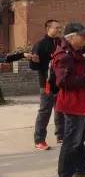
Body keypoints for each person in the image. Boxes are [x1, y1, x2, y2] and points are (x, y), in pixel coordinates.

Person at [53, 23, 85, 177]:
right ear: (71, 37)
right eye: (82, 35)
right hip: (72, 102)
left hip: (81, 100)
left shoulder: (75, 53)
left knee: (79, 138)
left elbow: (79, 71)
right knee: (71, 140)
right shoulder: (64, 56)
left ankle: (81, 167)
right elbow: (63, 81)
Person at [30, 19, 64, 150]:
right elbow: (33, 66)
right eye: (56, 27)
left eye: (59, 28)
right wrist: (34, 61)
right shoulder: (40, 45)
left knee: (60, 110)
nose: (59, 30)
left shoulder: (62, 43)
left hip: (61, 83)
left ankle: (61, 136)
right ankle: (39, 140)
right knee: (45, 111)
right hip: (47, 84)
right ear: (48, 28)